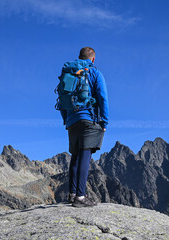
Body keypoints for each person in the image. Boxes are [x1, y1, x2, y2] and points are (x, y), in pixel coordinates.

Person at [59, 47, 109, 208]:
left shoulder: (69, 72)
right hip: (87, 118)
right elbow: (102, 97)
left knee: (74, 156)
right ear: (93, 59)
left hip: (72, 120)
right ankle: (80, 197)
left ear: (79, 57)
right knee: (84, 156)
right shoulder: (95, 73)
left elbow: (62, 100)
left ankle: (72, 193)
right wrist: (104, 122)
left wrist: (67, 120)